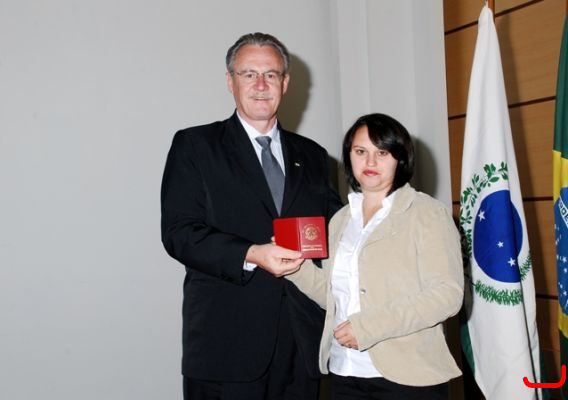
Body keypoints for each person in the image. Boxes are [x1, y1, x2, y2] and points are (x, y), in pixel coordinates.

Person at [160, 32, 342, 400]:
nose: (261, 85)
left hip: (301, 345)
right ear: (230, 81)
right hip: (226, 346)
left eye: (271, 75)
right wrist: (252, 253)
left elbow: (337, 229)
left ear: (285, 83)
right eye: (249, 74)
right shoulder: (195, 146)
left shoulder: (314, 155)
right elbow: (179, 233)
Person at [286, 113, 463, 400]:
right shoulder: (340, 220)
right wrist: (295, 269)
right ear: (349, 157)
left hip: (408, 377)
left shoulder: (427, 213)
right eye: (360, 152)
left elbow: (447, 295)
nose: (370, 162)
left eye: (382, 152)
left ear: (400, 159)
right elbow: (334, 296)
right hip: (345, 372)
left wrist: (367, 327)